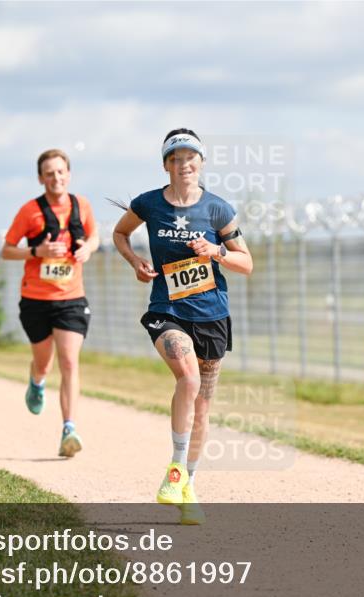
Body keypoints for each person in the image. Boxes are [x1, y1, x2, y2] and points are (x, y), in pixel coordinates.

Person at [112, 128, 253, 525]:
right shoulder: (149, 204)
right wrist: (135, 261)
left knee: (203, 407)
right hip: (167, 309)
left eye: (190, 157)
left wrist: (218, 252)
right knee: (187, 380)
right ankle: (174, 472)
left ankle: (187, 485)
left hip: (212, 314)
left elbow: (247, 262)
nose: (184, 164)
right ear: (166, 165)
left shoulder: (218, 210)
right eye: (176, 159)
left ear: (201, 163)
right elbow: (120, 233)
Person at [1, 149, 100, 457]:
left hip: (71, 298)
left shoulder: (81, 205)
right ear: (40, 178)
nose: (56, 178)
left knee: (69, 361)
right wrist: (37, 252)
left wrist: (89, 250)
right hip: (35, 299)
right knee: (44, 361)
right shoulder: (29, 211)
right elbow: (6, 250)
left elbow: (94, 235)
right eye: (49, 173)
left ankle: (69, 428)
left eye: (60, 172)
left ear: (68, 174)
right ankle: (37, 380)